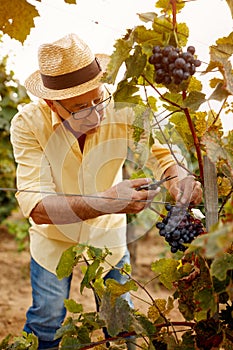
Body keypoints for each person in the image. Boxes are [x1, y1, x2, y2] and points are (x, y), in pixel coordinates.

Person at [10, 33, 203, 349]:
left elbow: (162, 152)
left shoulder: (121, 107)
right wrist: (105, 202)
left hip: (109, 237)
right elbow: (37, 207)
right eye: (79, 107)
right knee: (46, 322)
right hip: (54, 240)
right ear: (50, 103)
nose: (96, 113)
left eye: (97, 100)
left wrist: (176, 176)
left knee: (121, 324)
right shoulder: (28, 124)